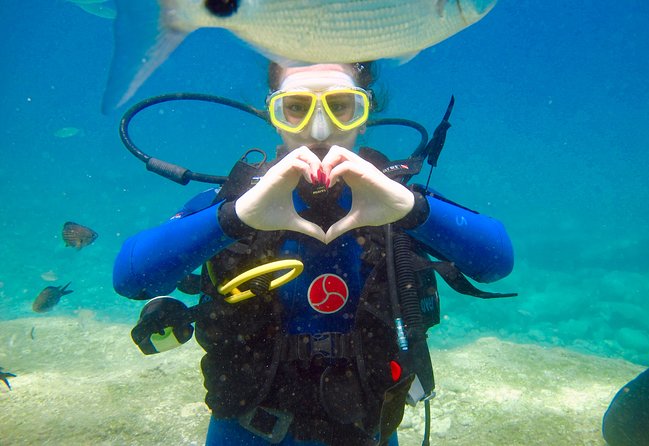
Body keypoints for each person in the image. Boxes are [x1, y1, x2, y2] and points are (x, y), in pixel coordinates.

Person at [113, 62, 515, 445]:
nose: (319, 130)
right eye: (296, 108)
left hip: (367, 431)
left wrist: (413, 208)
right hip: (246, 433)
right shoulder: (236, 201)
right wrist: (236, 217)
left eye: (340, 107)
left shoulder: (395, 200)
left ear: (364, 112)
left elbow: (496, 263)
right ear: (274, 113)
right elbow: (131, 278)